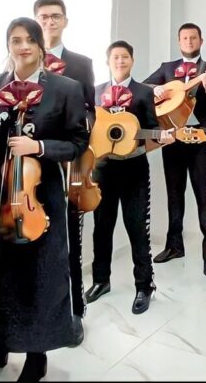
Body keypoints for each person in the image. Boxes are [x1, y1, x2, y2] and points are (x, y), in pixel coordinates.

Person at [0, 17, 88, 382]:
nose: (23, 46)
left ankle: (38, 353)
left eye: (30, 40)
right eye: (15, 40)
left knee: (42, 273)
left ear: (41, 46)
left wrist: (39, 147)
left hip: (43, 193)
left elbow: (77, 143)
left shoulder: (66, 88)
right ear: (8, 45)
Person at [86, 40, 174, 314]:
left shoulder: (143, 93)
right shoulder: (96, 92)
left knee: (137, 228)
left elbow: (152, 131)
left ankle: (144, 285)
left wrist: (159, 139)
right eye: (115, 57)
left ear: (132, 61)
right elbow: (89, 130)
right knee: (102, 228)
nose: (120, 61)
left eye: (125, 57)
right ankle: (101, 280)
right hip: (102, 169)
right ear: (108, 61)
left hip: (134, 168)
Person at [144, 22, 206, 276]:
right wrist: (154, 89)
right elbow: (141, 88)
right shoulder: (167, 69)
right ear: (179, 42)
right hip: (173, 140)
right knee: (174, 195)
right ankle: (174, 245)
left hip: (200, 140)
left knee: (204, 198)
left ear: (201, 41)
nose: (189, 42)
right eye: (184, 38)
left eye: (193, 38)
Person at [34, 0, 93, 340]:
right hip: (26, 166)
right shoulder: (21, 57)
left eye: (55, 17)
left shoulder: (81, 64)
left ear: (65, 21)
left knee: (69, 238)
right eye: (43, 17)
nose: (49, 23)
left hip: (64, 161)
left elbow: (90, 112)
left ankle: (74, 311)